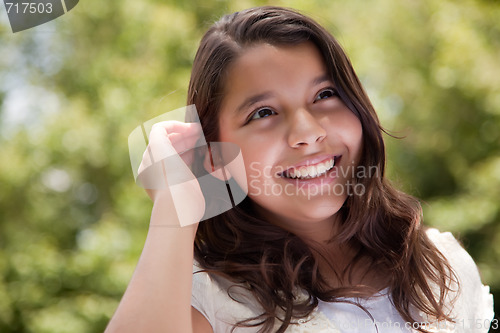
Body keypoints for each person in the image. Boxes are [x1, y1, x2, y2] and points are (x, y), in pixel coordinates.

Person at [105, 6, 494, 333]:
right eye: (264, 113)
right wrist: (174, 204)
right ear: (215, 155)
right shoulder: (209, 301)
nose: (308, 133)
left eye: (325, 95)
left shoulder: (442, 265)